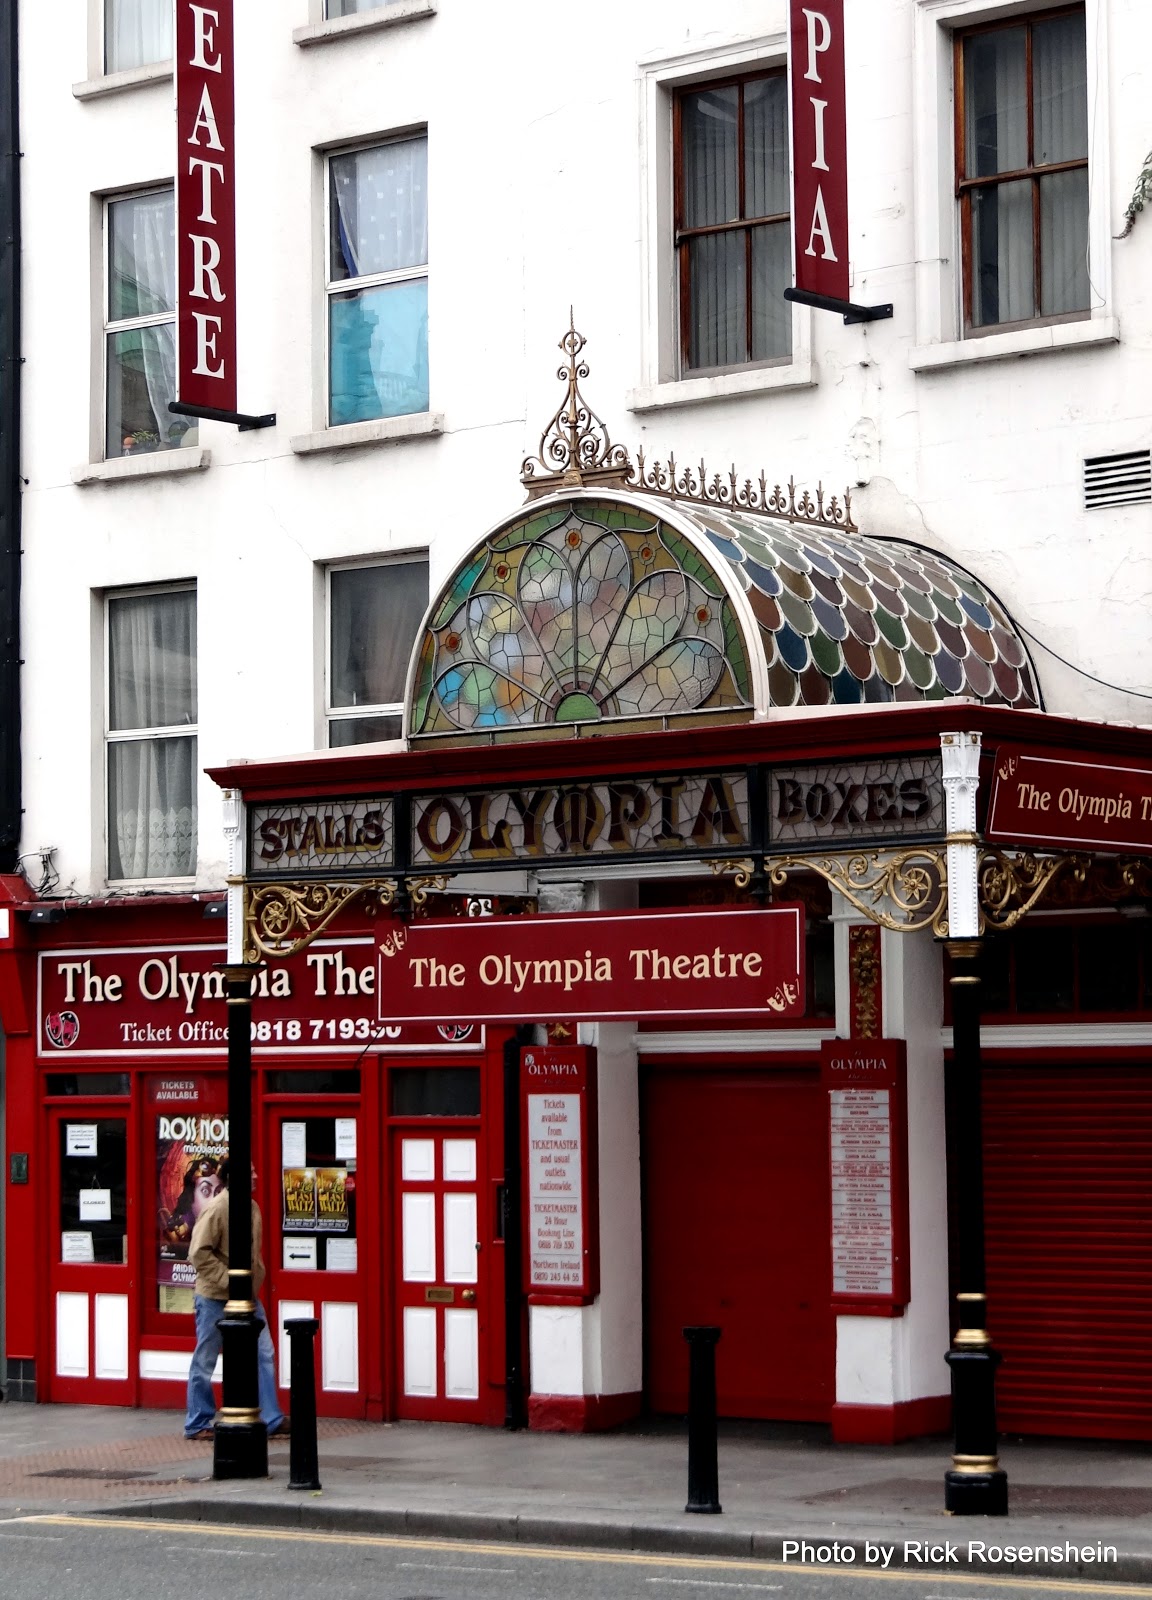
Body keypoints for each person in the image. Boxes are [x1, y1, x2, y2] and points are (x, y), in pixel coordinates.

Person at [183, 1158, 288, 1441]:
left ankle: (270, 1418)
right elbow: (198, 1253)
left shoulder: (252, 1208)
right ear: (236, 1177)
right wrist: (231, 1282)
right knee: (205, 1359)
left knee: (264, 1352)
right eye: (251, 1171)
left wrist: (252, 1282)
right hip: (214, 1297)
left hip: (248, 1297)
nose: (256, 1175)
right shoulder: (217, 1209)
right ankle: (197, 1422)